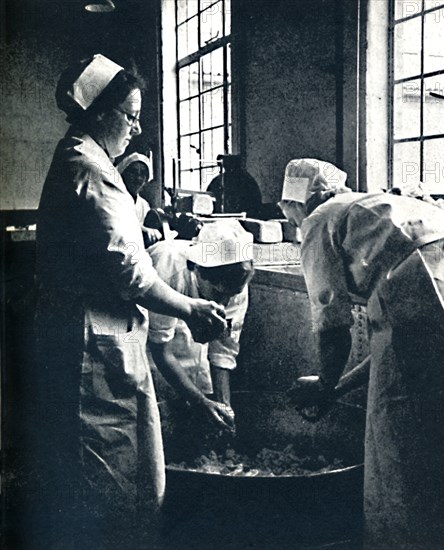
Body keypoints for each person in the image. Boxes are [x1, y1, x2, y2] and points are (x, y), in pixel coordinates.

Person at [35, 53, 226, 550]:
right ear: (101, 112)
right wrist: (192, 308)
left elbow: (104, 243)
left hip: (96, 334)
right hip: (90, 341)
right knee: (106, 472)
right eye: (132, 116)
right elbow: (131, 276)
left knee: (120, 461)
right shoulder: (88, 166)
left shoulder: (85, 158)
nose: (137, 129)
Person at [281, 158, 444, 550]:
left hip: (429, 286)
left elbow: (333, 331)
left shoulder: (318, 221)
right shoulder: (376, 207)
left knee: (406, 437)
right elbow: (393, 345)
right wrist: (336, 388)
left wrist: (324, 383)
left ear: (297, 203)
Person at [147, 220, 255, 458]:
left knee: (201, 438)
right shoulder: (168, 269)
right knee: (157, 432)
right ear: (198, 273)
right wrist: (199, 401)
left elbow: (223, 351)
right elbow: (160, 349)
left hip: (193, 354)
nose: (225, 303)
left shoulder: (236, 283)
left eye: (232, 295)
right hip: (152, 354)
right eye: (218, 294)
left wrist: (225, 409)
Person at [117, 150, 163, 247]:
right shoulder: (115, 199)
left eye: (142, 174)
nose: (138, 178)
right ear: (123, 174)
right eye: (133, 172)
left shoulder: (144, 205)